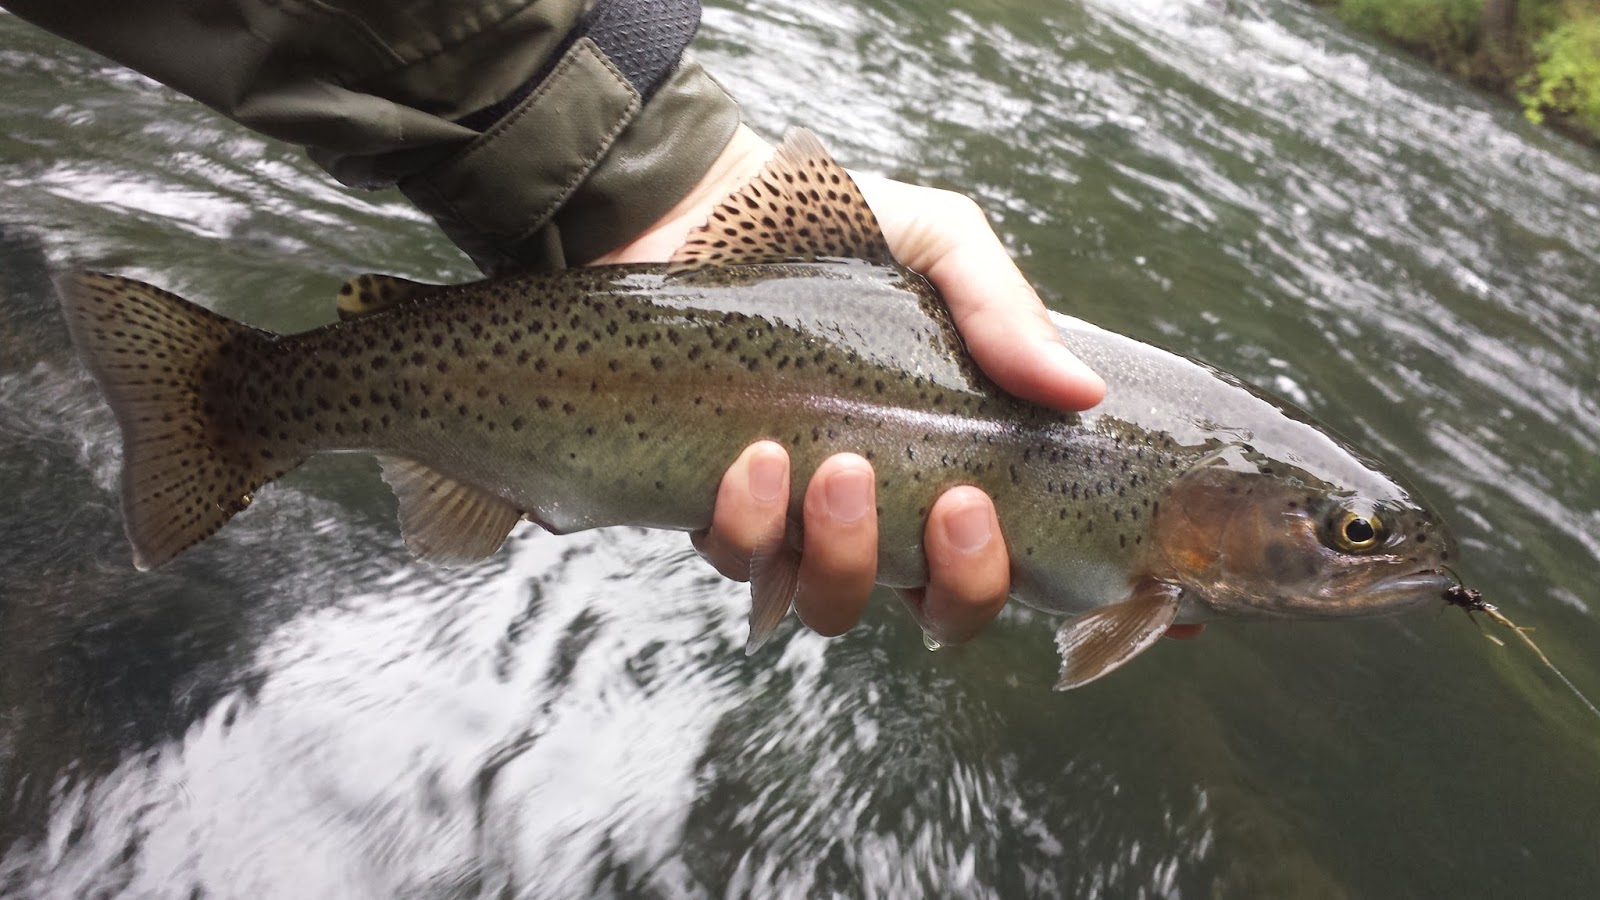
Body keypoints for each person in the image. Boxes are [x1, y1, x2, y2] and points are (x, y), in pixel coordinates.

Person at [5, 0, 1204, 645]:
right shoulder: (1144, 562)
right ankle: (233, 398)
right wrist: (656, 181)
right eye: (1348, 532)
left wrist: (646, 175)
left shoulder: (1163, 570)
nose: (1372, 554)